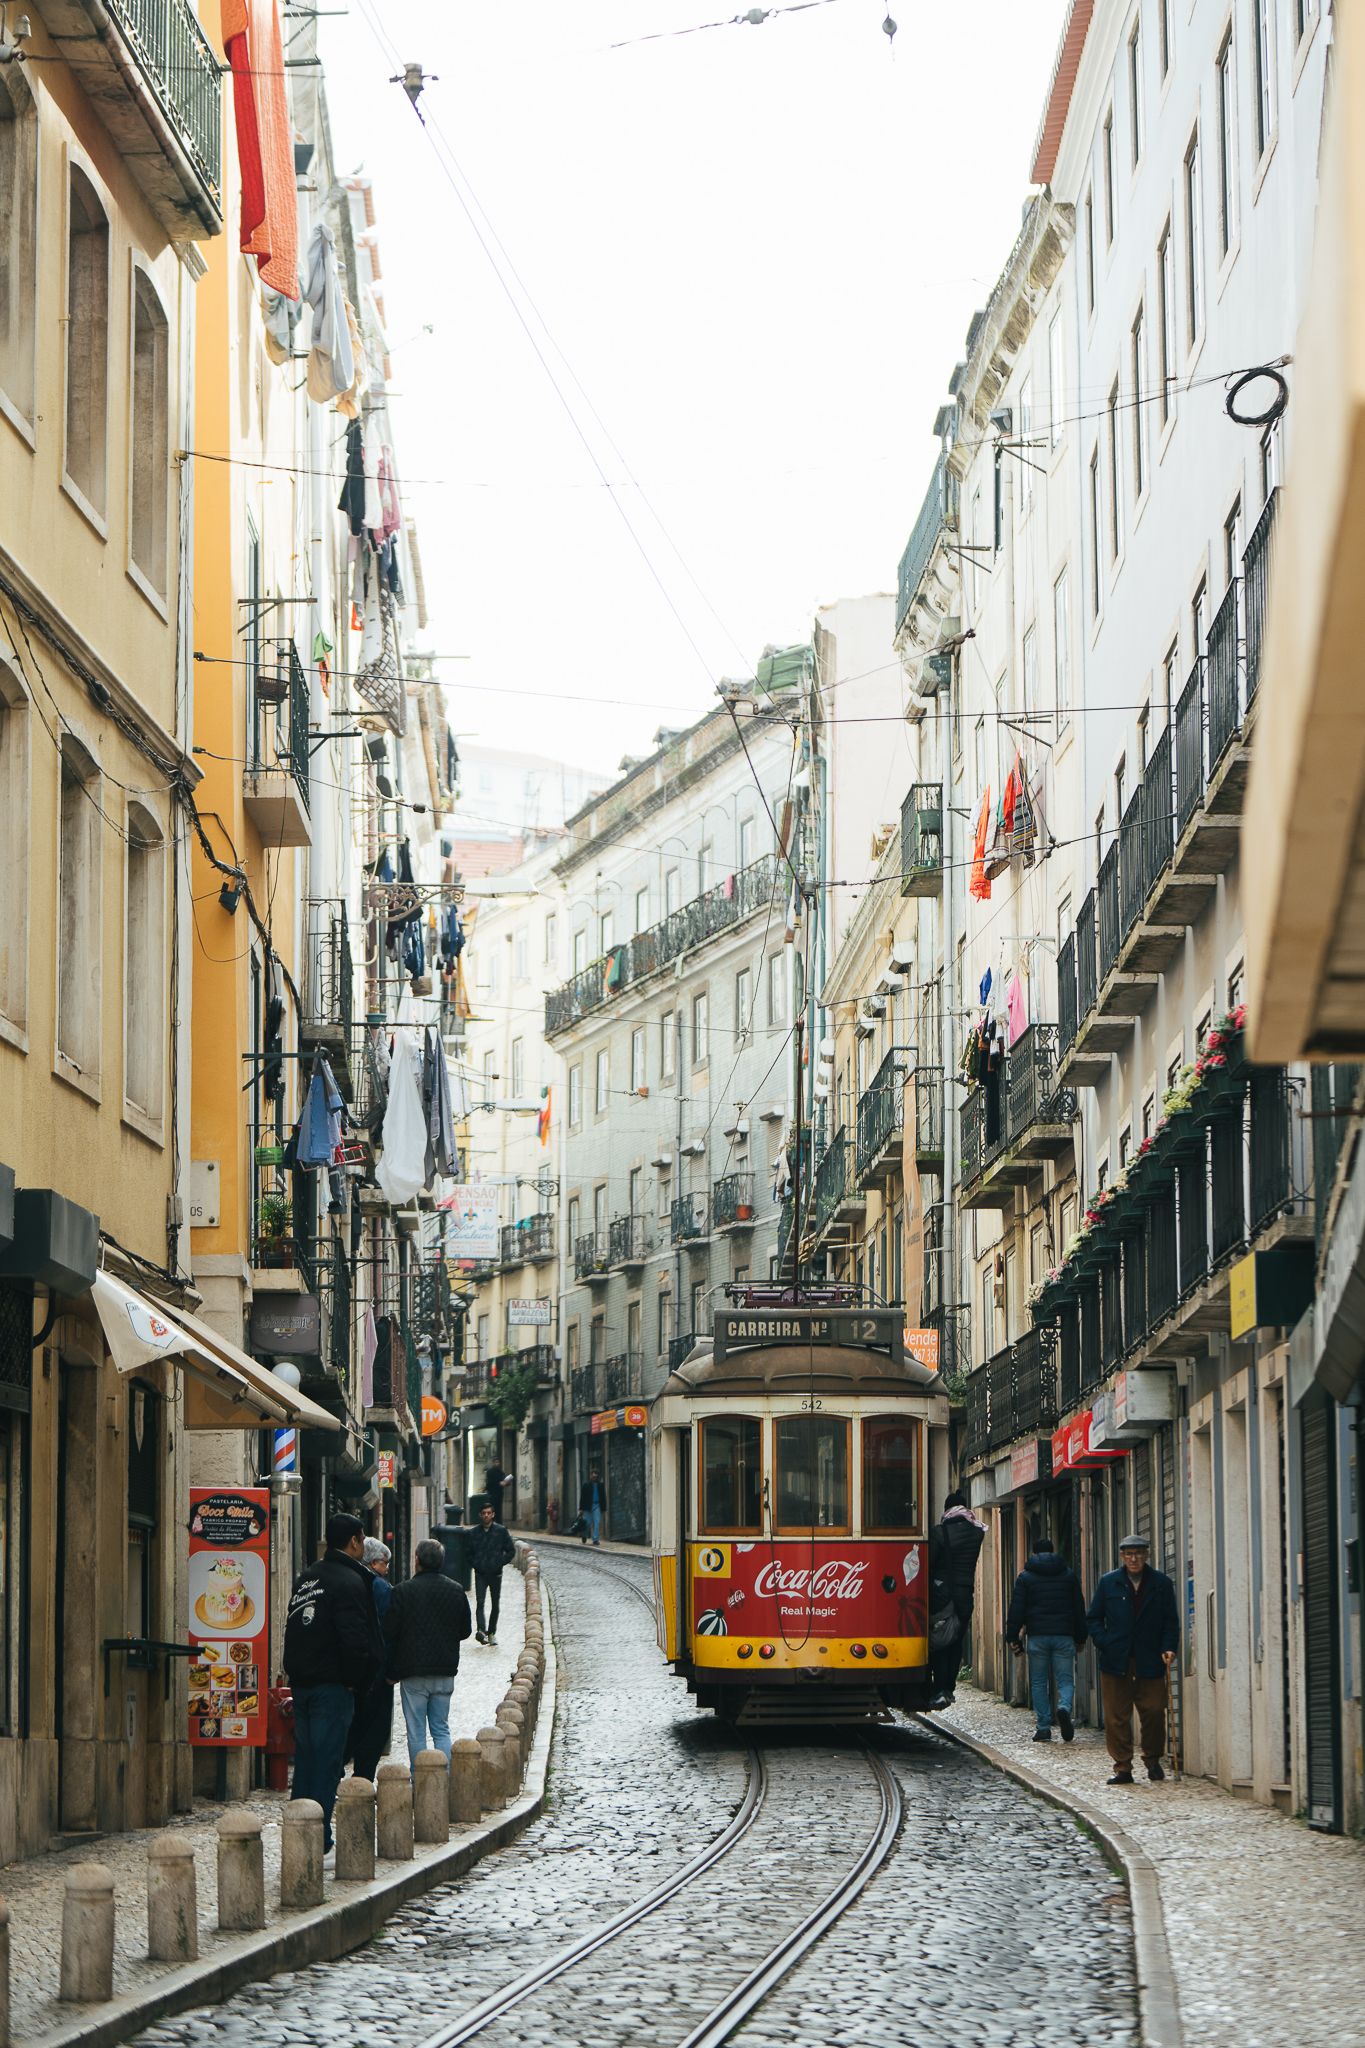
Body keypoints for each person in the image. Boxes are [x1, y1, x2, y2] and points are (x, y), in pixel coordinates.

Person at [283, 1511, 384, 1848]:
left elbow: (294, 1629)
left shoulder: (307, 1577)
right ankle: (320, 1837)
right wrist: (358, 1682)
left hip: (303, 1684)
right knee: (327, 1763)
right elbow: (356, 1641)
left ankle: (299, 1834)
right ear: (354, 1541)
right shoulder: (351, 1581)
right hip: (333, 1687)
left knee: (307, 1760)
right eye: (361, 1540)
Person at [1086, 1532, 1180, 1785]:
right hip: (1116, 1660)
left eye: (1138, 1554)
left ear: (1146, 1555)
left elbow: (1171, 1620)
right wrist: (1104, 1642)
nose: (1134, 1559)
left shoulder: (1160, 1583)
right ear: (1122, 1556)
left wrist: (1169, 1646)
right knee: (1116, 1716)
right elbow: (1094, 1618)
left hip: (1150, 1658)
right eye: (1129, 1554)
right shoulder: (1109, 1583)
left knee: (1153, 1711)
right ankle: (1123, 1767)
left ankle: (1152, 1759)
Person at [383, 1537, 473, 1762]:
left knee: (416, 1732)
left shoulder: (403, 1591)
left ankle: (419, 1780)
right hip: (444, 1670)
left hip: (413, 1672)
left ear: (417, 1560)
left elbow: (390, 1631)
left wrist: (391, 1671)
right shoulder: (456, 1590)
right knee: (441, 1729)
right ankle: (444, 1777)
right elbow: (465, 1631)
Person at [1005, 1540, 1088, 1742]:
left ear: (1034, 1553)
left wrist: (1013, 1637)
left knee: (1039, 1682)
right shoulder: (1068, 1576)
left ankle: (1043, 1727)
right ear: (1053, 1552)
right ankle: (1064, 1707)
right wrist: (1080, 1636)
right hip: (1063, 1635)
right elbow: (1079, 1608)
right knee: (1066, 1679)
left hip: (1038, 1636)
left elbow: (1017, 1609)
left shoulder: (1026, 1577)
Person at [926, 1489, 987, 1707]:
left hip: (943, 1596)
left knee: (940, 1642)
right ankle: (949, 1688)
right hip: (965, 1597)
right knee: (956, 1641)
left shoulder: (940, 1533)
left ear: (947, 1510)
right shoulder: (977, 1532)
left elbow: (929, 1565)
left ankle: (940, 1688)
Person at [349, 1539, 395, 1782]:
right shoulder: (381, 1588)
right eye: (385, 1563)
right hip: (376, 1669)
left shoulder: (348, 1580)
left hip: (350, 1667)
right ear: (373, 1562)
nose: (387, 1568)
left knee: (352, 1722)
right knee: (375, 1728)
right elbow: (389, 1630)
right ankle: (363, 1779)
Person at [470, 1500, 517, 1644]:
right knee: (480, 1602)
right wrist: (476, 1564)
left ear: (493, 1514)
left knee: (495, 1604)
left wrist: (499, 1562)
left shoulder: (501, 1531)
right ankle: (481, 1631)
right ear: (480, 1515)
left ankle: (491, 1632)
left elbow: (511, 1551)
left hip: (496, 1573)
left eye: (488, 1513)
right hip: (480, 1574)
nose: (486, 1516)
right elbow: (467, 1553)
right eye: (484, 1513)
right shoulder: (474, 1533)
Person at [579, 1465, 607, 1546]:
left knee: (597, 1522)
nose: (594, 1477)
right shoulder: (586, 1485)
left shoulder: (600, 1485)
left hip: (597, 1505)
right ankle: (584, 1535)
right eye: (593, 1475)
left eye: (596, 1476)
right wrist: (581, 1508)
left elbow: (603, 1497)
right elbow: (582, 1497)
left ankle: (595, 1539)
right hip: (588, 1507)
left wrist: (604, 1508)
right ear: (590, 1475)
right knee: (587, 1523)